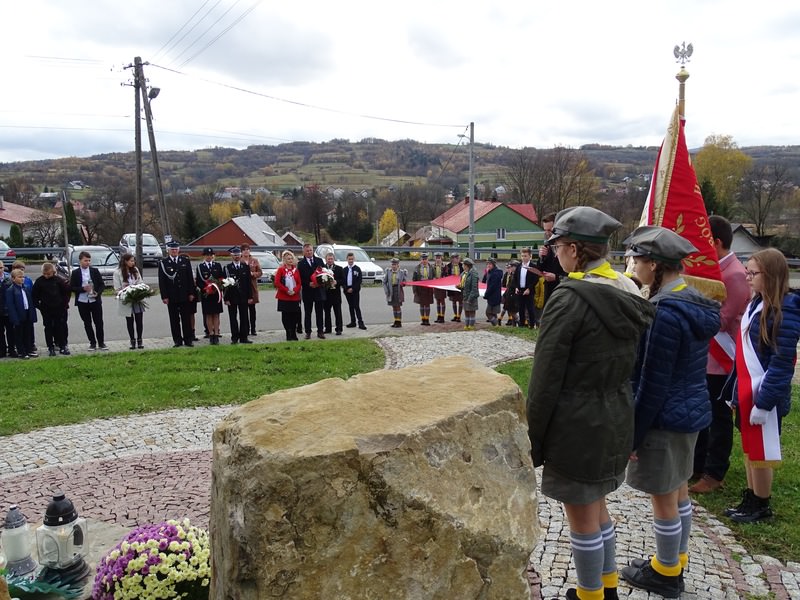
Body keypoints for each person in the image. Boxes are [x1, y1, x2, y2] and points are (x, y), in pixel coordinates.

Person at [527, 206, 655, 600]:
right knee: (598, 509)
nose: (555, 253)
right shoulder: (628, 290)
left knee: (581, 516)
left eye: (559, 245)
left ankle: (590, 594)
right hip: (615, 414)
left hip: (577, 423)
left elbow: (546, 379)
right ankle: (608, 586)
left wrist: (533, 439)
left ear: (575, 249)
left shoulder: (569, 299)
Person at [621, 225, 721, 599]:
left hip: (665, 417)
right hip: (690, 411)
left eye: (637, 258)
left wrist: (634, 433)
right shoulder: (692, 301)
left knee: (663, 495)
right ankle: (675, 560)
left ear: (655, 264)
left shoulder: (664, 312)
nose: (633, 264)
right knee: (679, 491)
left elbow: (652, 381)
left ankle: (665, 574)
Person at [722, 248, 800, 524]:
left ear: (771, 275)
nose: (748, 278)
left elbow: (781, 365)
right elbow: (742, 356)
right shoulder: (757, 303)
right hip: (747, 392)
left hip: (766, 395)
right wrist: (734, 392)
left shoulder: (785, 311)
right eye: (747, 273)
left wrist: (765, 402)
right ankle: (751, 496)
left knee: (762, 452)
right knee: (749, 447)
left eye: (753, 274)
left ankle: (762, 504)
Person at [690, 216, 751, 493]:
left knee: (718, 417)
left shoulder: (735, 274)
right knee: (703, 413)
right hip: (707, 357)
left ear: (716, 242)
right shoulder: (716, 270)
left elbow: (724, 320)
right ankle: (698, 464)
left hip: (722, 359)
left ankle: (715, 473)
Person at [159, 241, 195, 347]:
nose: (174, 251)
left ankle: (188, 340)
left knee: (186, 318)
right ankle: (177, 340)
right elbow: (162, 281)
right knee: (174, 319)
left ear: (179, 250)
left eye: (176, 249)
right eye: (172, 249)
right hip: (172, 295)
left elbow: (189, 278)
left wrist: (191, 293)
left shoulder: (185, 261)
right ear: (168, 250)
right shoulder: (163, 263)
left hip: (184, 294)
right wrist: (164, 296)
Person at [70, 250, 107, 351]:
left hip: (95, 300)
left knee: (98, 322)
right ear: (80, 261)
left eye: (89, 260)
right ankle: (92, 342)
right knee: (87, 322)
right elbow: (72, 287)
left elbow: (101, 285)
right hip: (82, 301)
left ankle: (101, 342)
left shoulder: (94, 271)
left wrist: (97, 293)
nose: (88, 262)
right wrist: (82, 289)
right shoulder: (75, 273)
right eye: (85, 260)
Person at [32, 263, 71, 356]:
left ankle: (63, 346)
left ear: (53, 272)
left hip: (59, 308)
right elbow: (34, 296)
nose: (46, 276)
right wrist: (39, 306)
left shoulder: (59, 281)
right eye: (44, 274)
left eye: (48, 274)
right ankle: (50, 347)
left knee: (60, 327)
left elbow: (66, 293)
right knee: (48, 328)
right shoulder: (39, 281)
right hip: (46, 309)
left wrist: (63, 305)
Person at [113, 253, 146, 350]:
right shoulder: (117, 272)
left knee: (139, 320)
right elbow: (117, 288)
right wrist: (123, 289)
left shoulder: (135, 270)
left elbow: (141, 282)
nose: (133, 262)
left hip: (137, 299)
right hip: (126, 299)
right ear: (125, 261)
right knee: (129, 321)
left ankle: (140, 340)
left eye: (133, 261)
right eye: (131, 261)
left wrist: (139, 289)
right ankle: (132, 340)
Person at [6, 268, 39, 359]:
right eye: (19, 277)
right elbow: (11, 306)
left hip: (27, 312)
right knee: (19, 334)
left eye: (23, 277)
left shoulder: (26, 288)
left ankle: (29, 349)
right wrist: (14, 318)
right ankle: (21, 352)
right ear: (13, 279)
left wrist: (32, 314)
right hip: (18, 315)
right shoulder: (11, 290)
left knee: (27, 333)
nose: (22, 279)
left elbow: (30, 302)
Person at [536, 212, 567, 310]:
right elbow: (540, 268)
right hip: (549, 291)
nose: (547, 233)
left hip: (564, 292)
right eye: (545, 230)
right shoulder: (548, 245)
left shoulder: (567, 247)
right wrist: (541, 258)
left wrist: (556, 277)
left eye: (550, 230)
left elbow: (574, 273)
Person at [196, 247, 225, 345]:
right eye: (207, 255)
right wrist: (206, 289)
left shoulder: (217, 265)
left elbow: (221, 278)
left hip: (216, 294)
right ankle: (211, 334)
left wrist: (217, 287)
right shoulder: (200, 267)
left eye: (210, 255)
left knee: (216, 314)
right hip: (206, 294)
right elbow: (199, 281)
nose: (209, 257)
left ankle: (216, 334)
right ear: (204, 256)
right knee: (208, 315)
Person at [224, 246, 253, 344]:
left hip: (244, 296)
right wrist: (226, 298)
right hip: (232, 297)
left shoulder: (245, 266)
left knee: (244, 317)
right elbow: (225, 285)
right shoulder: (227, 268)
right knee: (233, 318)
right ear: (231, 256)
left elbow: (248, 282)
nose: (236, 256)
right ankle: (234, 338)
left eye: (238, 255)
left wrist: (250, 296)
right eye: (234, 255)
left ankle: (244, 337)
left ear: (240, 255)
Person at [297, 243, 326, 339]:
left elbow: (325, 274)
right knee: (308, 313)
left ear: (312, 250)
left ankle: (320, 331)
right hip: (307, 292)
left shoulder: (319, 261)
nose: (309, 252)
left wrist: (319, 283)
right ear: (304, 252)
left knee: (319, 313)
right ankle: (308, 332)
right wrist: (308, 283)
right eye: (307, 251)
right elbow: (300, 278)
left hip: (318, 291)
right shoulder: (300, 264)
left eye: (310, 250)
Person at [274, 250, 302, 341]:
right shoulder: (281, 270)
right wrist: (286, 290)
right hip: (284, 296)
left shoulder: (296, 270)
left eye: (291, 258)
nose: (290, 260)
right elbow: (277, 282)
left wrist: (294, 290)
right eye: (288, 259)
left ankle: (294, 333)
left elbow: (299, 283)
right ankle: (288, 333)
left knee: (294, 316)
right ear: (284, 260)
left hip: (294, 296)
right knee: (286, 316)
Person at [12, 260, 37, 352]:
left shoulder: (28, 281)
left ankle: (30, 345)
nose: (21, 272)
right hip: (19, 311)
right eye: (19, 270)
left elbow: (32, 294)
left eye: (22, 270)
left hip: (28, 309)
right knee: (19, 331)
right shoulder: (12, 286)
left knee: (29, 329)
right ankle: (20, 348)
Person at [514, 247, 541, 328]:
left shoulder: (533, 266)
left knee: (530, 309)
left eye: (525, 256)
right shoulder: (519, 266)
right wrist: (516, 287)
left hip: (529, 290)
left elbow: (535, 279)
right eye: (522, 256)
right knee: (521, 308)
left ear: (530, 256)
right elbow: (515, 278)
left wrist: (529, 288)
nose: (523, 258)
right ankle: (522, 325)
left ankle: (532, 325)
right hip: (520, 290)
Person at [241, 243, 262, 336]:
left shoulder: (254, 260)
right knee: (243, 309)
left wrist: (254, 274)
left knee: (252, 309)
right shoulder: (240, 260)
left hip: (252, 287)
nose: (246, 251)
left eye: (247, 249)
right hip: (242, 287)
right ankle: (246, 328)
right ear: (241, 251)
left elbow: (260, 272)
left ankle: (253, 328)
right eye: (244, 249)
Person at [342, 252, 366, 330]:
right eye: (349, 259)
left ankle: (360, 322)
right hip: (347, 290)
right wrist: (346, 289)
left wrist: (353, 288)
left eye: (352, 259)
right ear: (347, 259)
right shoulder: (344, 270)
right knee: (351, 306)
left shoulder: (357, 269)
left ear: (354, 259)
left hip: (355, 290)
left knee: (356, 306)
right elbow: (343, 280)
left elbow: (359, 280)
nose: (351, 261)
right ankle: (353, 321)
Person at [322, 252, 344, 335]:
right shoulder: (322, 268)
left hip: (336, 294)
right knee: (327, 312)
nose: (330, 260)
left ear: (334, 259)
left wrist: (336, 282)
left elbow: (343, 280)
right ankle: (328, 328)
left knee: (337, 312)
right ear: (326, 260)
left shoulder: (339, 268)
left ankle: (339, 329)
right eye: (328, 259)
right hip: (326, 294)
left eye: (331, 259)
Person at [383, 257, 407, 327]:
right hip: (391, 290)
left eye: (395, 264)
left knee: (398, 306)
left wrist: (403, 283)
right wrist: (386, 291)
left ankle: (399, 322)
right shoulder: (388, 271)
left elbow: (405, 281)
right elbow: (384, 282)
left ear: (398, 265)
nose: (393, 266)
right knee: (393, 306)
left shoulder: (401, 272)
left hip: (398, 290)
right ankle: (395, 321)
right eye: (392, 264)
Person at [412, 252, 435, 326]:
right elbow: (414, 280)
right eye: (423, 259)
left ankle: (427, 319)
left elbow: (434, 278)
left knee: (427, 304)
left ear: (428, 259)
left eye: (425, 259)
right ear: (420, 259)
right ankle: (423, 319)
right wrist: (414, 290)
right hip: (420, 288)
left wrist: (433, 287)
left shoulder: (431, 267)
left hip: (428, 288)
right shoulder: (417, 268)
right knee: (421, 305)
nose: (424, 261)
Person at [459, 257, 480, 330]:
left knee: (471, 311)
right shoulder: (463, 273)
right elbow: (464, 285)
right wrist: (459, 287)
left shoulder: (473, 273)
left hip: (471, 296)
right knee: (466, 311)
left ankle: (471, 325)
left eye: (463, 265)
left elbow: (474, 287)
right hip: (465, 295)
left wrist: (470, 298)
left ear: (467, 265)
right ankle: (467, 325)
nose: (462, 266)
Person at [443, 253, 463, 322]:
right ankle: (455, 315)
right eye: (456, 258)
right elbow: (446, 275)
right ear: (452, 259)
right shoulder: (448, 266)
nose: (457, 259)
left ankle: (459, 316)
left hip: (460, 286)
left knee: (460, 301)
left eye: (458, 258)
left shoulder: (462, 265)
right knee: (454, 301)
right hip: (452, 286)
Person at [483, 257, 503, 326]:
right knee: (492, 313)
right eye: (487, 264)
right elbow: (484, 281)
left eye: (490, 264)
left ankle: (496, 325)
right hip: (491, 296)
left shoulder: (496, 273)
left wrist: (486, 294)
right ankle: (496, 325)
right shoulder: (490, 272)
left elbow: (492, 286)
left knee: (488, 313)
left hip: (495, 296)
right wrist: (486, 273)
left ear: (493, 264)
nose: (488, 265)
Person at [0, 263, 15, 358]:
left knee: (11, 331)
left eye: (0, 267)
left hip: (9, 309)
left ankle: (12, 350)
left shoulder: (9, 278)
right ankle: (2, 350)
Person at [500, 260, 519, 326]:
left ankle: (518, 321)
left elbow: (514, 285)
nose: (509, 268)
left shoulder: (517, 275)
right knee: (510, 310)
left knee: (512, 311)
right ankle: (514, 325)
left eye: (511, 266)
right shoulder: (511, 275)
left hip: (514, 295)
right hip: (509, 294)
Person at [431, 251, 448, 323]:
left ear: (441, 258)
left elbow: (447, 275)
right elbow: (431, 275)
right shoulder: (432, 266)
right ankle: (438, 316)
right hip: (436, 285)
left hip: (442, 285)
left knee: (442, 301)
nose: (438, 259)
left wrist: (443, 279)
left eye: (439, 257)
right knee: (437, 301)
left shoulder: (445, 266)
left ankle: (442, 316)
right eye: (437, 257)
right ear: (435, 258)